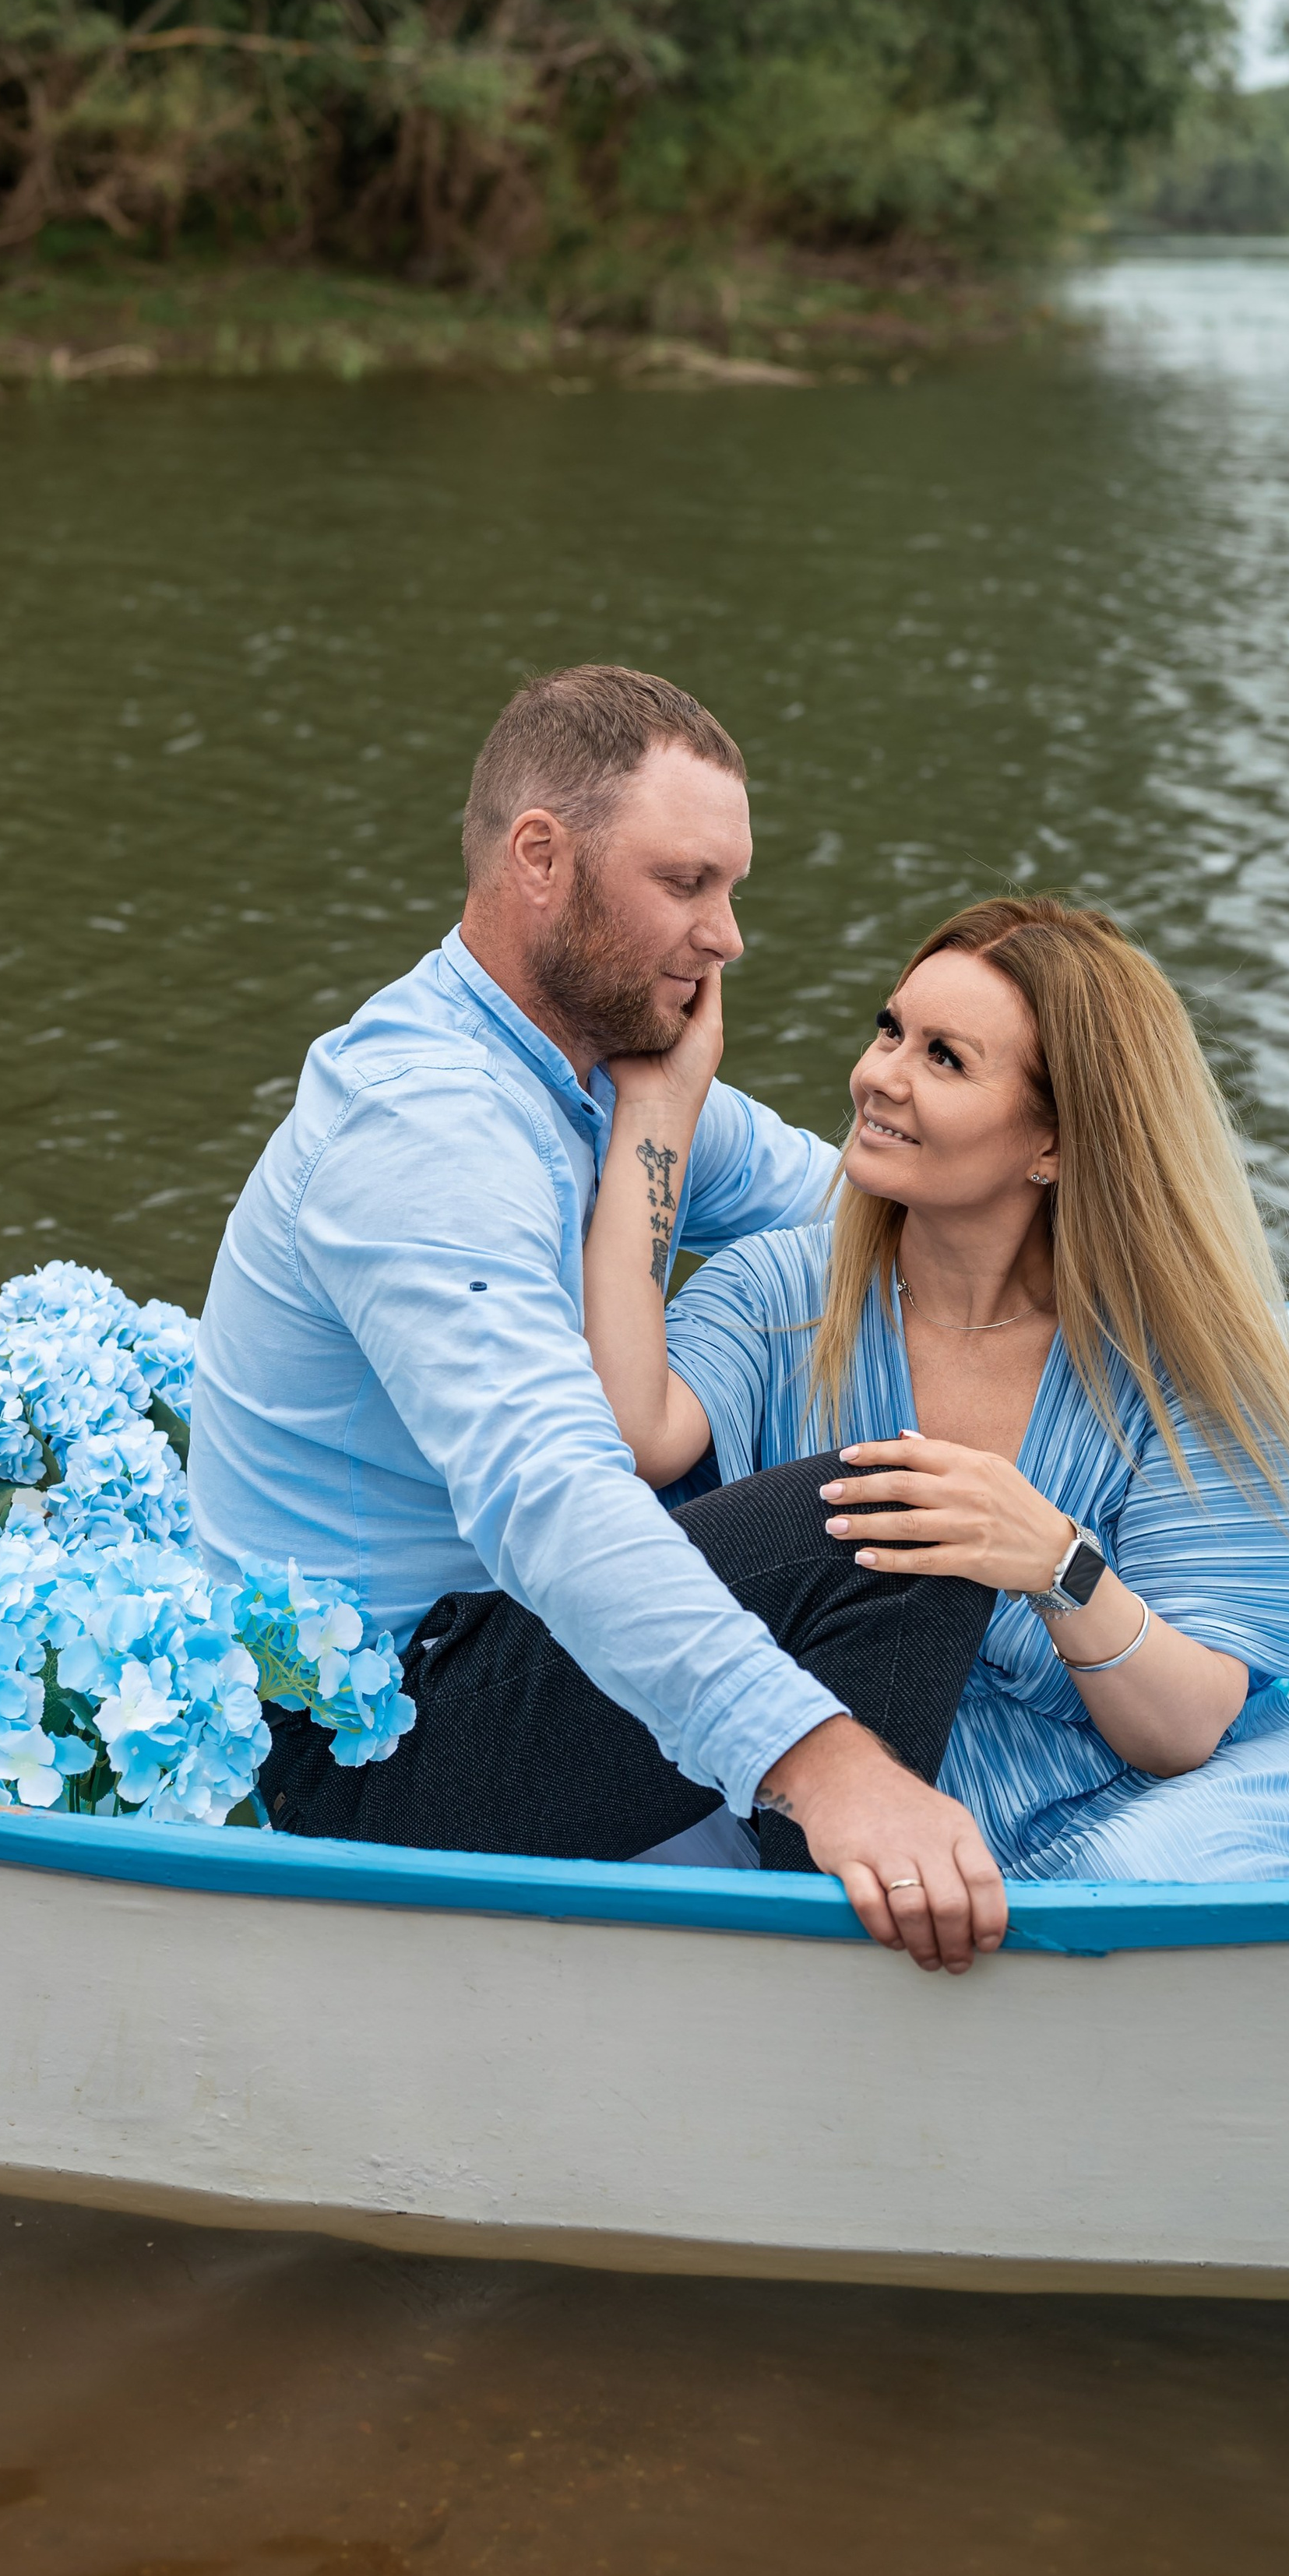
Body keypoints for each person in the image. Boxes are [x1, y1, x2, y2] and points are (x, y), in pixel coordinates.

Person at [190, 663, 1013, 1973]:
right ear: (540, 858)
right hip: (359, 1752)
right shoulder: (429, 1128)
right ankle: (834, 1967)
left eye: (732, 888)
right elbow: (551, 1493)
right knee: (896, 1536)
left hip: (486, 1646)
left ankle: (837, 1886)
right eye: (686, 884)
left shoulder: (595, 1071)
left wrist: (1069, 1238)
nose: (728, 937)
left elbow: (864, 1221)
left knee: (877, 1486)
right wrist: (826, 1763)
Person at [582, 896, 1289, 1884]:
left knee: (1128, 1883)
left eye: (944, 1058)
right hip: (857, 1787)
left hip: (1143, 1805)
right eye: (890, 1030)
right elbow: (627, 1434)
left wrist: (1055, 1562)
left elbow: (1181, 1732)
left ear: (1052, 1144)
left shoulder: (1170, 1363)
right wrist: (660, 1107)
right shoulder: (777, 1292)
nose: (879, 1076)